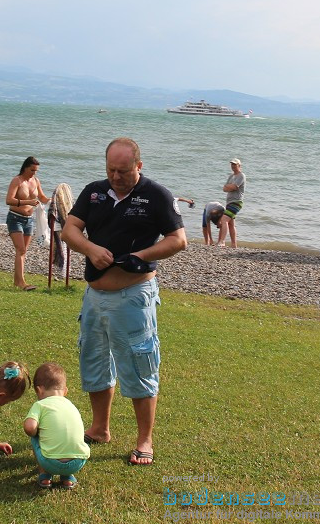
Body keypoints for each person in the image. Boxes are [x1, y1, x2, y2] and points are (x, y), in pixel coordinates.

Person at [61, 137, 187, 467]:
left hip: (133, 298)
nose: (116, 177)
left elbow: (179, 240)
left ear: (139, 166)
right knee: (94, 359)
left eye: (124, 170)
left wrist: (140, 257)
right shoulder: (94, 192)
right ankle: (100, 428)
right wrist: (89, 249)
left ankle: (144, 439)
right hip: (94, 297)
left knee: (139, 362)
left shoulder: (156, 195)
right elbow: (69, 230)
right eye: (111, 170)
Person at [23, 362, 90, 490]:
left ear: (39, 390)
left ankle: (45, 475)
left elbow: (29, 428)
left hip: (50, 462)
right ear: (65, 391)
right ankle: (67, 477)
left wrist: (35, 432)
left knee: (35, 436)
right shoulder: (71, 406)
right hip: (78, 461)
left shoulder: (40, 405)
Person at [5, 156, 50, 291]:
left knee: (23, 251)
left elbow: (42, 198)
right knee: (21, 249)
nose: (34, 173)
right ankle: (22, 283)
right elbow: (9, 200)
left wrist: (53, 200)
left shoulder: (35, 181)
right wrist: (27, 202)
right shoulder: (17, 181)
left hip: (29, 220)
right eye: (32, 170)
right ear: (25, 168)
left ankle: (16, 281)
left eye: (36, 171)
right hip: (15, 218)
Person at [221, 158, 246, 248]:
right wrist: (228, 187)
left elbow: (235, 187)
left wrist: (229, 187)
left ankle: (222, 242)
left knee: (224, 220)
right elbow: (224, 188)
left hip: (236, 202)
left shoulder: (241, 175)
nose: (233, 166)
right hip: (229, 202)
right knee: (231, 224)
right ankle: (234, 245)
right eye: (232, 164)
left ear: (239, 165)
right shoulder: (231, 176)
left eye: (235, 164)